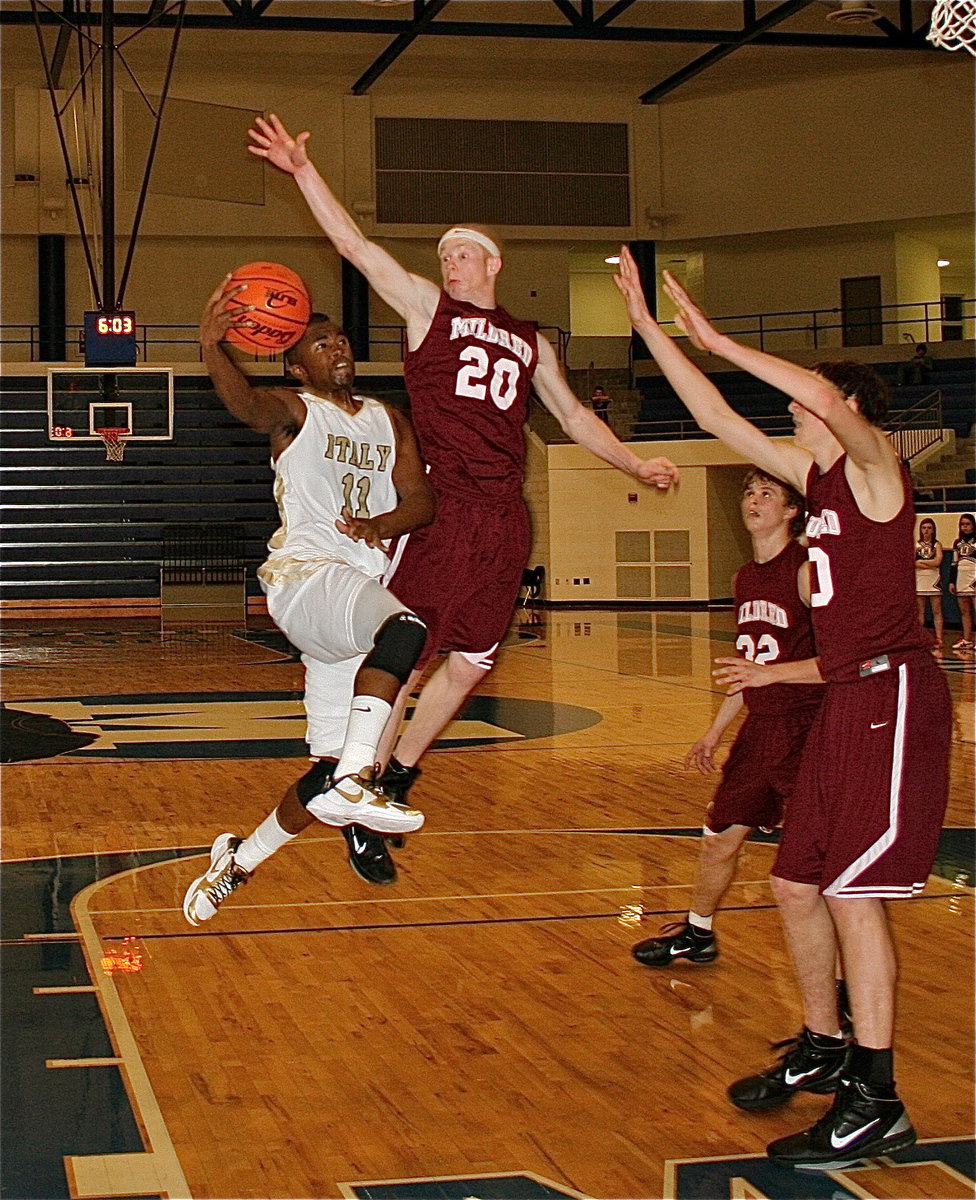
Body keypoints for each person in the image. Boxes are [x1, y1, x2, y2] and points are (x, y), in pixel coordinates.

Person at [247, 114, 679, 885]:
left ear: (493, 262)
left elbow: (575, 418)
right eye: (443, 253)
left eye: (462, 252)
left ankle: (399, 774)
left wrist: (633, 464)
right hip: (444, 508)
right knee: (407, 655)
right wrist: (300, 171)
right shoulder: (424, 310)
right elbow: (354, 245)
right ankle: (359, 784)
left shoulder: (532, 340)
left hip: (505, 514)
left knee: (474, 661)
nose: (449, 261)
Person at [615, 245, 951, 1171]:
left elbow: (828, 399)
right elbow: (717, 412)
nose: (792, 412)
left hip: (892, 694)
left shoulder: (877, 472)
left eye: (805, 404)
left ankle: (878, 1100)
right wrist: (651, 330)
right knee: (794, 880)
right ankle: (826, 1042)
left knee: (851, 892)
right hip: (846, 700)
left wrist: (718, 333)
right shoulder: (819, 485)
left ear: (840, 413)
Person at [182, 286, 436, 923]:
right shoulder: (295, 410)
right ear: (298, 366)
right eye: (320, 344)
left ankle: (237, 861)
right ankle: (360, 780)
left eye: (341, 338)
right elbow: (242, 403)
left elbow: (421, 503)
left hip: (346, 603)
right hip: (307, 576)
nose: (337, 348)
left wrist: (381, 523)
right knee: (405, 630)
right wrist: (212, 346)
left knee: (322, 774)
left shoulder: (387, 418)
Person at [632, 468, 824, 972]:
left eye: (767, 494)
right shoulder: (744, 577)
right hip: (761, 731)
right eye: (749, 493)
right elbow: (748, 670)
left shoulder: (805, 573)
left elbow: (843, 663)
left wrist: (771, 676)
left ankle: (843, 986)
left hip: (811, 731)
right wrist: (716, 730)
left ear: (791, 512)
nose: (754, 501)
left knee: (813, 866)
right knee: (718, 837)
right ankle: (698, 933)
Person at [914, 517, 945, 651]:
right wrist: (929, 563)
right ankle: (920, 638)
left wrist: (922, 563)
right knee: (920, 611)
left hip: (934, 580)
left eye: (929, 528)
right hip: (919, 580)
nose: (926, 531)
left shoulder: (937, 544)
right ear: (920, 530)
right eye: (924, 528)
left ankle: (939, 638)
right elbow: (911, 561)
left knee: (936, 610)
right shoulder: (916, 545)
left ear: (933, 530)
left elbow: (938, 561)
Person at [949, 513, 976, 650]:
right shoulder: (957, 543)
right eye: (962, 525)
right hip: (961, 577)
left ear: (973, 525)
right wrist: (952, 581)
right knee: (965, 611)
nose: (965, 527)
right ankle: (967, 639)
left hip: (974, 576)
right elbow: (954, 563)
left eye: (967, 524)